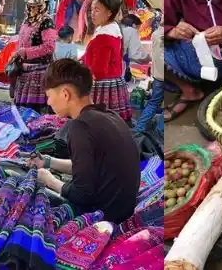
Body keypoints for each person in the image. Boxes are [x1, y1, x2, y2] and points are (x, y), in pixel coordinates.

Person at [29, 59, 140, 223]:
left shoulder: (81, 127)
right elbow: (90, 166)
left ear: (65, 94)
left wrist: (49, 180)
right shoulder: (109, 115)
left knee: (28, 194)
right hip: (123, 206)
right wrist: (47, 162)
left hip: (104, 215)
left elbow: (82, 195)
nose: (48, 102)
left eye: (49, 96)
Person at [81, 0, 133, 123]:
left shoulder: (104, 36)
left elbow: (99, 70)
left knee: (100, 123)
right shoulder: (112, 29)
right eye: (91, 9)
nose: (92, 14)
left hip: (102, 86)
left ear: (109, 13)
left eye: (97, 10)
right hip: (113, 82)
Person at [11, 0, 58, 112]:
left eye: (35, 6)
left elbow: (49, 47)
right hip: (24, 71)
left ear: (43, 6)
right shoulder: (27, 21)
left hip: (39, 72)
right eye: (30, 6)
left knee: (35, 109)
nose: (31, 9)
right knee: (23, 109)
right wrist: (16, 53)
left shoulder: (47, 22)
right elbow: (21, 40)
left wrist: (25, 52)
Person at [135, 25, 165, 136]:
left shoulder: (155, 34)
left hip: (157, 75)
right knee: (168, 105)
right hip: (168, 76)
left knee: (153, 103)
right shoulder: (167, 34)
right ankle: (160, 130)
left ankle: (139, 128)